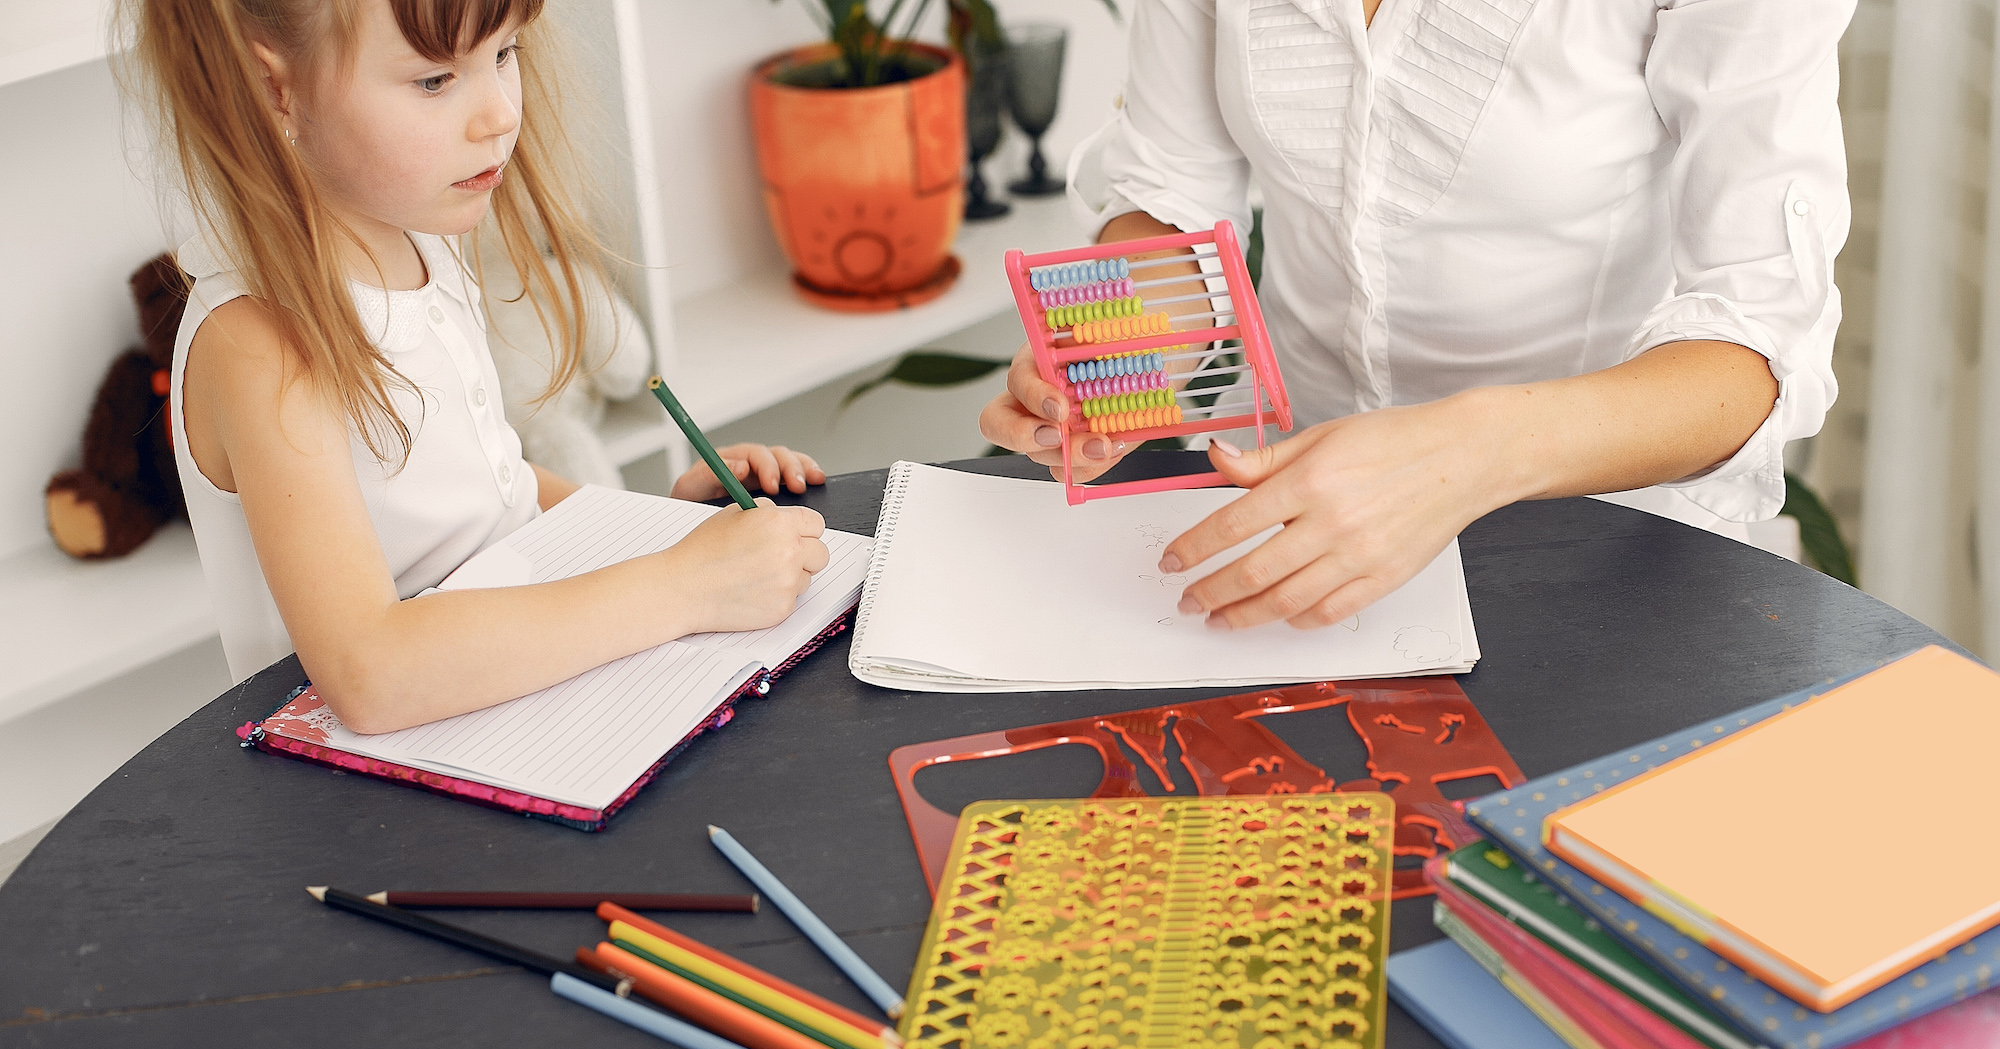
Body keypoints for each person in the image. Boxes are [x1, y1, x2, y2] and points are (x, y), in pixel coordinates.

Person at [981, 0, 1849, 631]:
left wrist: (1467, 453)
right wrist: (1122, 358)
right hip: (1299, 545)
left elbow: (1759, 343)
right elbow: (1172, 182)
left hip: (1612, 563)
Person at [133, 0, 829, 731]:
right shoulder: (263, 342)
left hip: (503, 726)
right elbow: (371, 675)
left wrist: (663, 531)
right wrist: (680, 584)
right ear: (272, 87)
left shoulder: (423, 240)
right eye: (435, 80)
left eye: (506, 53)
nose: (499, 113)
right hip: (361, 805)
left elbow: (496, 499)